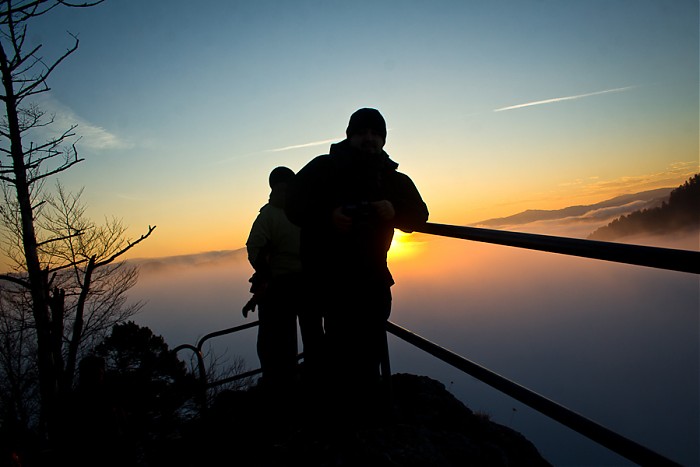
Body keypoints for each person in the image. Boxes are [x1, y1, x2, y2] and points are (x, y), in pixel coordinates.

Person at [285, 108, 429, 423]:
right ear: (350, 135)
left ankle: (362, 417)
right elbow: (292, 204)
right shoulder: (324, 168)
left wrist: (396, 210)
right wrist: (329, 216)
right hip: (326, 280)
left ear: (383, 138)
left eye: (375, 133)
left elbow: (420, 214)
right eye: (362, 132)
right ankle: (331, 417)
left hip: (372, 279)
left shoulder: (393, 179)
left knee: (369, 351)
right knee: (330, 353)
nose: (369, 138)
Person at [244, 166, 309, 394]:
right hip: (308, 284)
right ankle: (314, 378)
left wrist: (264, 275)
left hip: (277, 286)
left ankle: (278, 384)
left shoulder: (268, 216)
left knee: (276, 340)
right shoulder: (304, 210)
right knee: (312, 333)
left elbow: (254, 249)